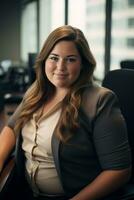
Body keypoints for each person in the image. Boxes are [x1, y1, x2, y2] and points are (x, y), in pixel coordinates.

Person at [0, 25, 132, 200]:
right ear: (44, 60)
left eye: (70, 59)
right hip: (26, 191)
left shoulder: (100, 100)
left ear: (83, 63)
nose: (60, 67)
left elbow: (119, 171)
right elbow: (11, 127)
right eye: (54, 58)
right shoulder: (37, 91)